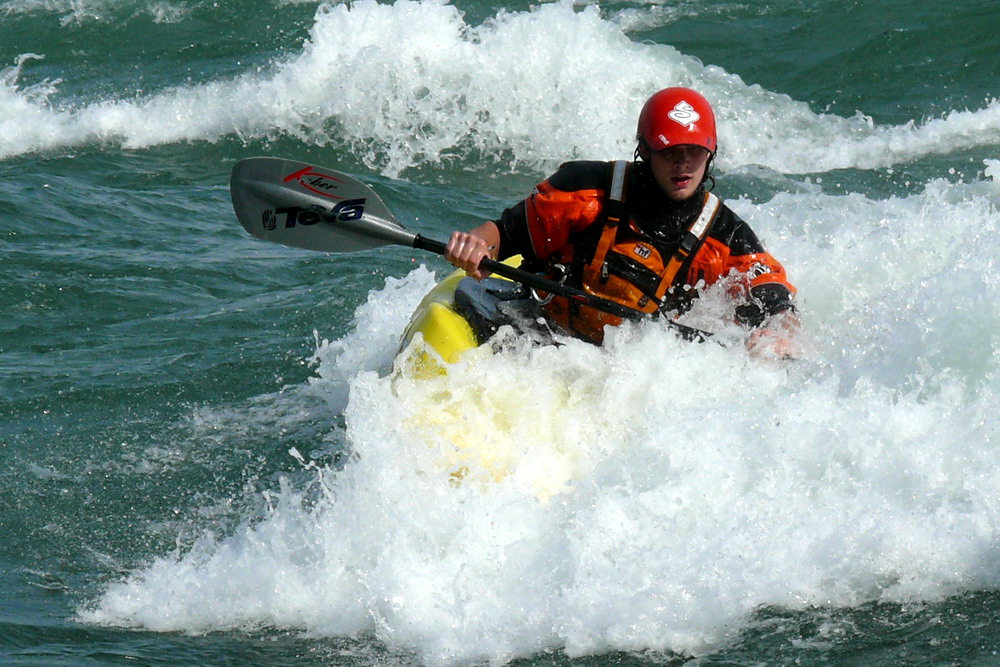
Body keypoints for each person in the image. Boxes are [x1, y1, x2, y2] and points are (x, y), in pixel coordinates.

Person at [445, 87, 799, 357]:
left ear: (711, 153)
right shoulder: (583, 188)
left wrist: (779, 330)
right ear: (643, 150)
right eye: (669, 151)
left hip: (615, 366)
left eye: (695, 151)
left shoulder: (725, 235)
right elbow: (502, 235)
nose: (684, 165)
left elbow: (774, 297)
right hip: (535, 326)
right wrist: (475, 245)